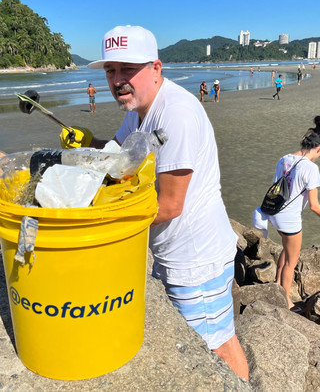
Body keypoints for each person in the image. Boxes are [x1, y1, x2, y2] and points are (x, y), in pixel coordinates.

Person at [60, 25, 249, 380]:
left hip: (196, 260)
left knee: (219, 345)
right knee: (201, 348)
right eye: (110, 70)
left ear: (156, 68)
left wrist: (99, 228)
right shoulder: (139, 109)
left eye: (128, 70)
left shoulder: (175, 114)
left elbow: (170, 205)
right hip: (171, 254)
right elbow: (119, 156)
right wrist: (87, 144)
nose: (118, 80)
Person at [253, 116, 320, 312]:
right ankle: (286, 302)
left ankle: (277, 285)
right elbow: (314, 206)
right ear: (318, 148)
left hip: (275, 214)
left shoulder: (284, 159)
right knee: (292, 261)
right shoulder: (311, 169)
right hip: (290, 220)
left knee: (286, 250)